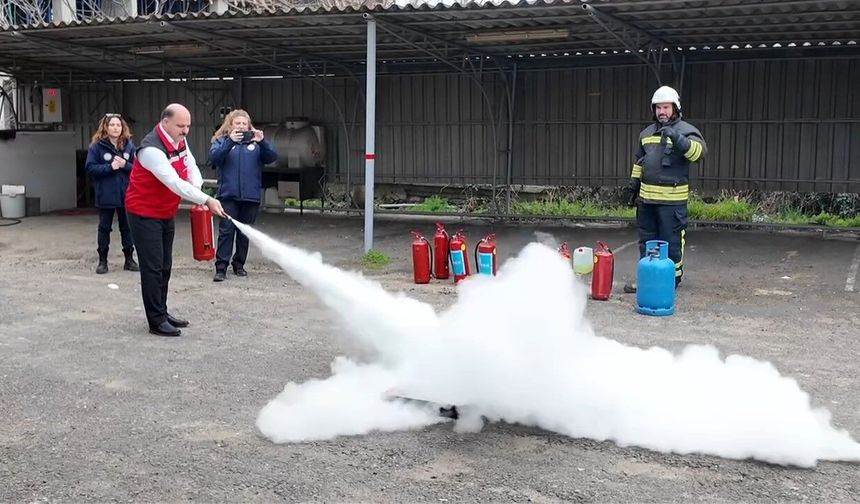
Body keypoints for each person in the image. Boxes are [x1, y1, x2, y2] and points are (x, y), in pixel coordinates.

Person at [125, 103, 226, 337]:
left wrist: (198, 190)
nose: (185, 131)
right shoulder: (151, 150)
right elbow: (174, 182)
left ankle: (162, 311)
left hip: (164, 212)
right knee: (152, 268)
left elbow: (190, 167)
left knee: (165, 266)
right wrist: (206, 200)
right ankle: (156, 320)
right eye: (181, 126)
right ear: (165, 122)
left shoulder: (179, 140)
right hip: (144, 213)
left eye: (188, 126)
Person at [623, 86, 707, 293]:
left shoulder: (686, 130)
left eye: (666, 107)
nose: (662, 111)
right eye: (659, 107)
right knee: (647, 243)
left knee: (672, 244)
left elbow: (698, 154)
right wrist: (633, 186)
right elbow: (639, 161)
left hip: (672, 204)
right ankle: (649, 280)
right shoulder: (646, 134)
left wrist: (677, 138)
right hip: (647, 202)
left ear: (675, 108)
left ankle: (671, 282)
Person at [207, 109, 278, 282]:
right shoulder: (221, 141)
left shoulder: (256, 144)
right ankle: (221, 267)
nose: (240, 126)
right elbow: (214, 159)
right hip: (228, 195)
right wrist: (229, 143)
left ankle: (239, 264)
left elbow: (272, 157)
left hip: (250, 196)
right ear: (230, 125)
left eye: (244, 124)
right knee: (226, 231)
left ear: (249, 126)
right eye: (237, 123)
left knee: (245, 232)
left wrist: (263, 143)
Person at [85, 113, 139, 274]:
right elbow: (90, 168)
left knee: (127, 228)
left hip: (126, 194)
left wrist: (125, 165)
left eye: (118, 125)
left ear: (123, 128)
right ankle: (102, 261)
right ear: (106, 127)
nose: (116, 128)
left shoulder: (129, 146)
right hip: (106, 195)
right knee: (104, 228)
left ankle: (129, 259)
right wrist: (110, 168)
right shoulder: (96, 147)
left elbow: (138, 168)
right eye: (112, 125)